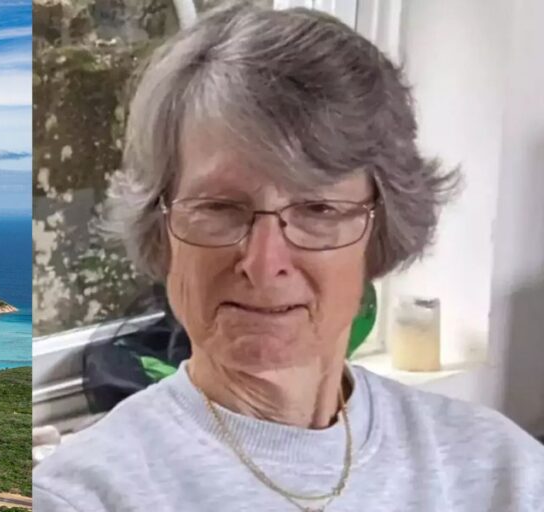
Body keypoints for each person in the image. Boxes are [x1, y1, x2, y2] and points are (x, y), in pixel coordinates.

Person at [32, 2, 544, 510]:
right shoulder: (79, 497)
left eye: (317, 208)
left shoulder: (502, 472)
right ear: (161, 227)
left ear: (381, 227)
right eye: (219, 207)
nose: (263, 260)